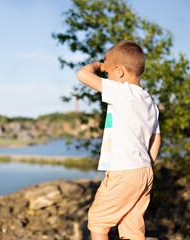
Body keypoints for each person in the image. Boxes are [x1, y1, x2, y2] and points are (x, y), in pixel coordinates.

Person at [76, 40, 161, 240]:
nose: (106, 76)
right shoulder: (149, 101)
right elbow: (156, 138)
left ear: (119, 72)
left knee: (98, 220)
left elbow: (82, 75)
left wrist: (98, 65)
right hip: (144, 171)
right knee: (132, 225)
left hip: (124, 170)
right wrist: (148, 164)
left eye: (108, 73)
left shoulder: (121, 91)